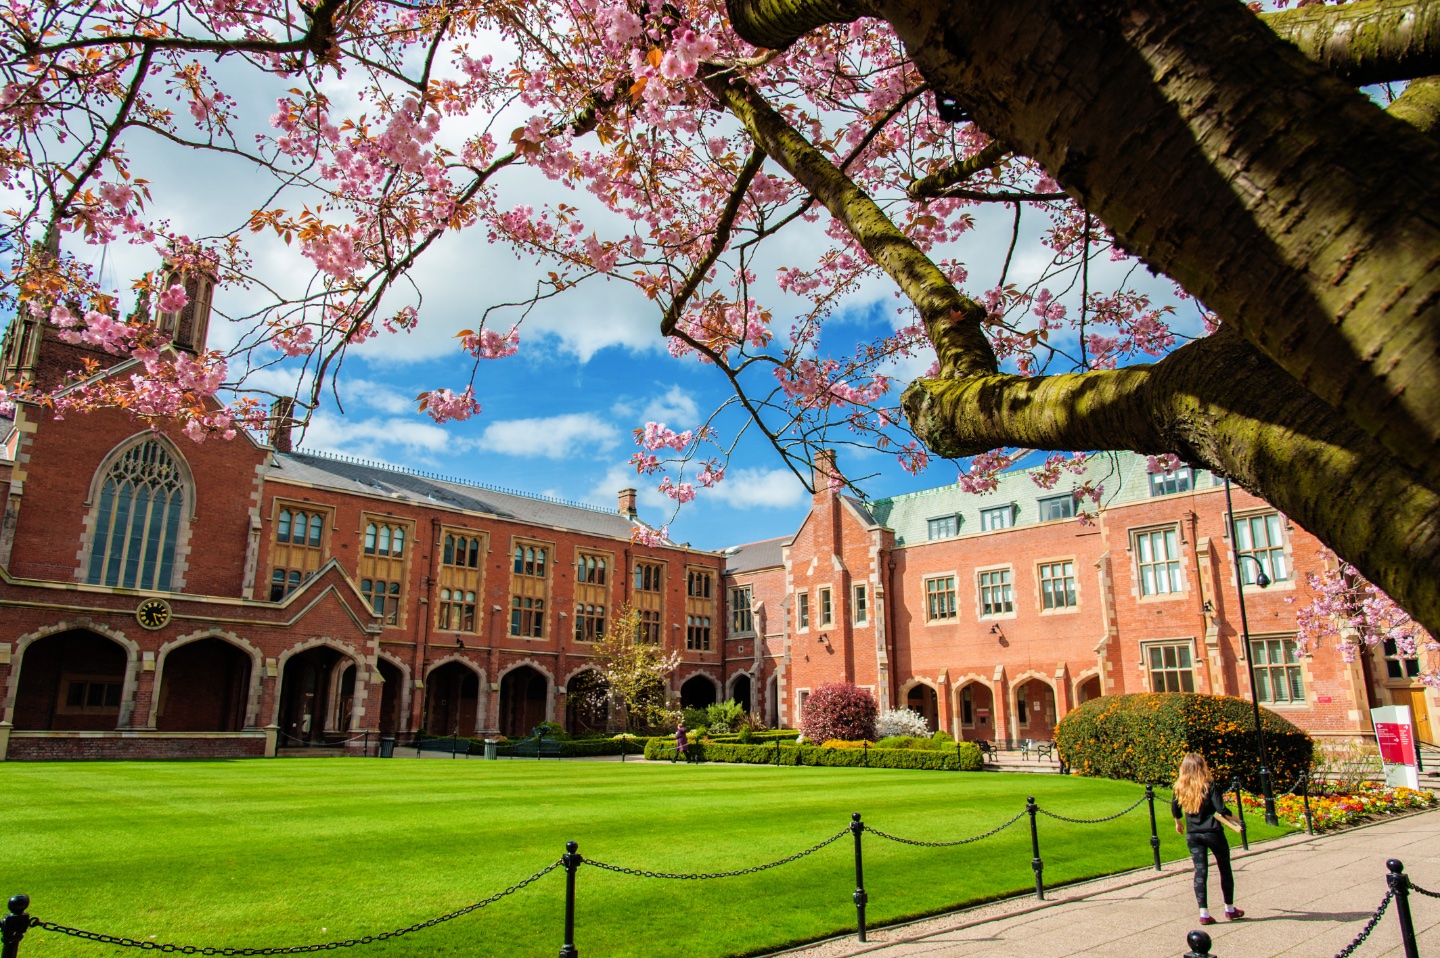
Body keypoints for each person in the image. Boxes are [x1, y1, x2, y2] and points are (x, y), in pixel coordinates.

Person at [1172, 753, 1246, 925]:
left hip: (1193, 834)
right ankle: (1229, 908)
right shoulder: (1209, 785)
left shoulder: (1180, 787)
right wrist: (1238, 820)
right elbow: (1221, 809)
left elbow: (1175, 808)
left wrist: (1178, 823)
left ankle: (1203, 913)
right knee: (1224, 868)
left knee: (1200, 871)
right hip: (1213, 832)